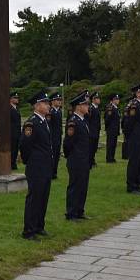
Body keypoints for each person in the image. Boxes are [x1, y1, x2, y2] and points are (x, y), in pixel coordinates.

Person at [20, 91, 53, 240]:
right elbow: (25, 146)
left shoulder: (43, 121)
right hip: (36, 166)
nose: (48, 105)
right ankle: (29, 230)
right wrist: (31, 162)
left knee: (43, 197)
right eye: (45, 103)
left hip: (45, 165)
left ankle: (39, 225)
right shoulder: (31, 123)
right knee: (34, 197)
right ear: (37, 105)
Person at [64, 91, 91, 220]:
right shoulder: (73, 122)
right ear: (79, 106)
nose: (88, 106)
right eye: (85, 104)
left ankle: (80, 211)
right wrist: (73, 157)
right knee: (75, 186)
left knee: (83, 186)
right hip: (76, 159)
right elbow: (68, 143)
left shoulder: (83, 120)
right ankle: (71, 213)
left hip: (84, 159)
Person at [125, 84, 140, 193]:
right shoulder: (134, 105)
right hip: (135, 138)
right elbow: (130, 123)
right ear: (138, 93)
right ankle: (131, 185)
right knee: (134, 162)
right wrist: (130, 137)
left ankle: (137, 184)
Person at [48, 92, 63, 179]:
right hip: (52, 137)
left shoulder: (59, 111)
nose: (59, 101)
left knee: (57, 155)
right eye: (57, 100)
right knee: (52, 155)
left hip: (58, 136)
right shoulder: (50, 112)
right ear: (52, 101)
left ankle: (54, 172)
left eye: (60, 100)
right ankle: (51, 173)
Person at [103, 94, 120, 163]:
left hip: (115, 129)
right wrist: (109, 128)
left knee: (113, 144)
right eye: (116, 99)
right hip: (111, 129)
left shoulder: (116, 108)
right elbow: (107, 119)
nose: (118, 100)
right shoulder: (110, 108)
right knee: (110, 144)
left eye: (118, 99)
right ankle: (109, 158)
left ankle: (112, 157)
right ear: (113, 100)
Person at [87, 92, 101, 169]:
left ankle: (92, 160)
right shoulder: (91, 108)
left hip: (96, 130)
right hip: (92, 131)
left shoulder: (96, 108)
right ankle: (89, 161)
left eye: (99, 98)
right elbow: (89, 120)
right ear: (93, 100)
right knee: (91, 147)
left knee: (94, 147)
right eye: (97, 98)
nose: (99, 100)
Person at [9, 92, 21, 170]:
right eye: (15, 98)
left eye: (17, 98)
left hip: (17, 132)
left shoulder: (16, 108)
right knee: (12, 148)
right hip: (11, 132)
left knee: (16, 148)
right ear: (10, 99)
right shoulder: (9, 108)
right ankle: (11, 164)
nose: (17, 99)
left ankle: (13, 163)